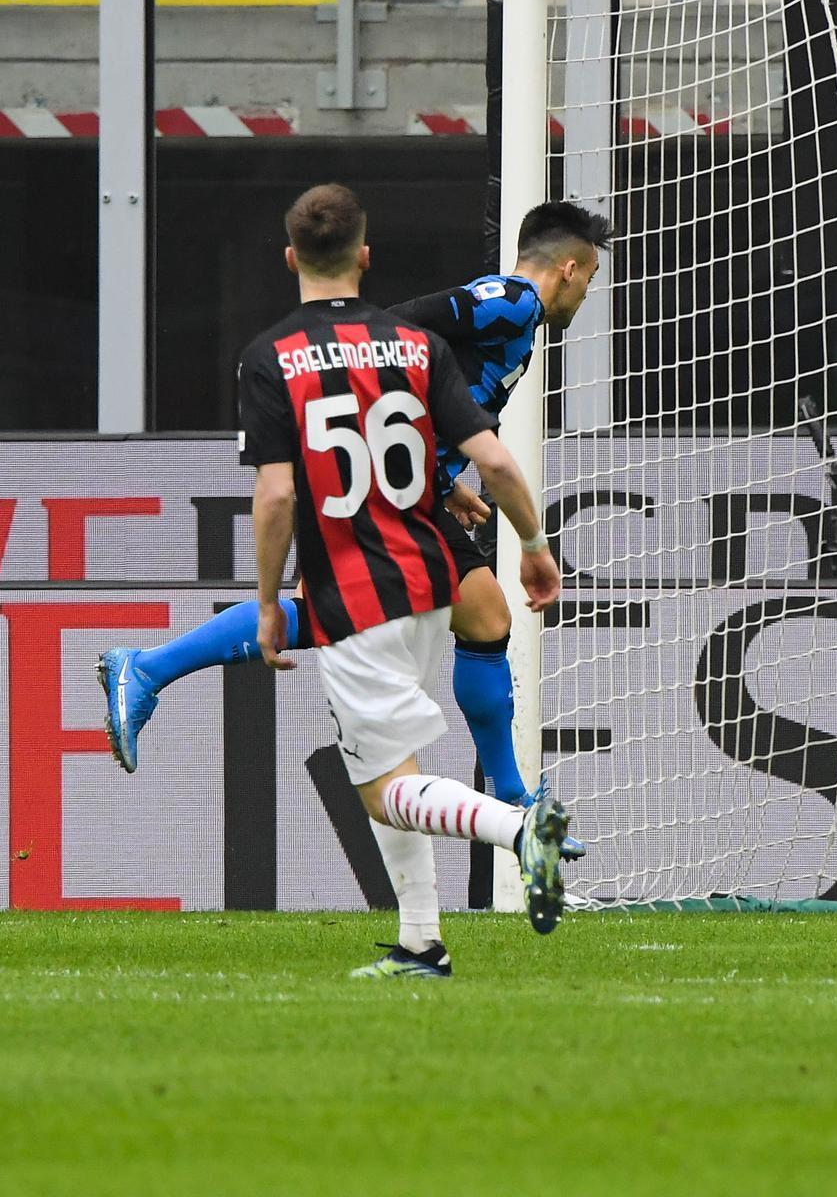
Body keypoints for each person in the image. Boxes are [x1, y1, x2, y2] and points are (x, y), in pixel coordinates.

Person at [99, 201, 610, 820]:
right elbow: (390, 336)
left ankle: (510, 794)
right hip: (381, 487)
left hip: (406, 485)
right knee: (360, 619)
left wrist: (444, 479)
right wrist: (530, 542)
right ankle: (146, 670)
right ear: (571, 268)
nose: (585, 295)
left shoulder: (507, 314)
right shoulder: (513, 301)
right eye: (590, 279)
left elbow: (421, 380)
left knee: (480, 617)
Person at [236, 184, 573, 976]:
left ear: (290, 258)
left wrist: (264, 601)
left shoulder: (268, 357)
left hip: (353, 591)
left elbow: (278, 493)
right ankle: (422, 941)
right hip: (429, 580)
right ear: (364, 256)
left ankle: (518, 830)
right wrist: (532, 541)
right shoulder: (414, 347)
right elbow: (489, 458)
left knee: (386, 789)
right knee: (387, 768)